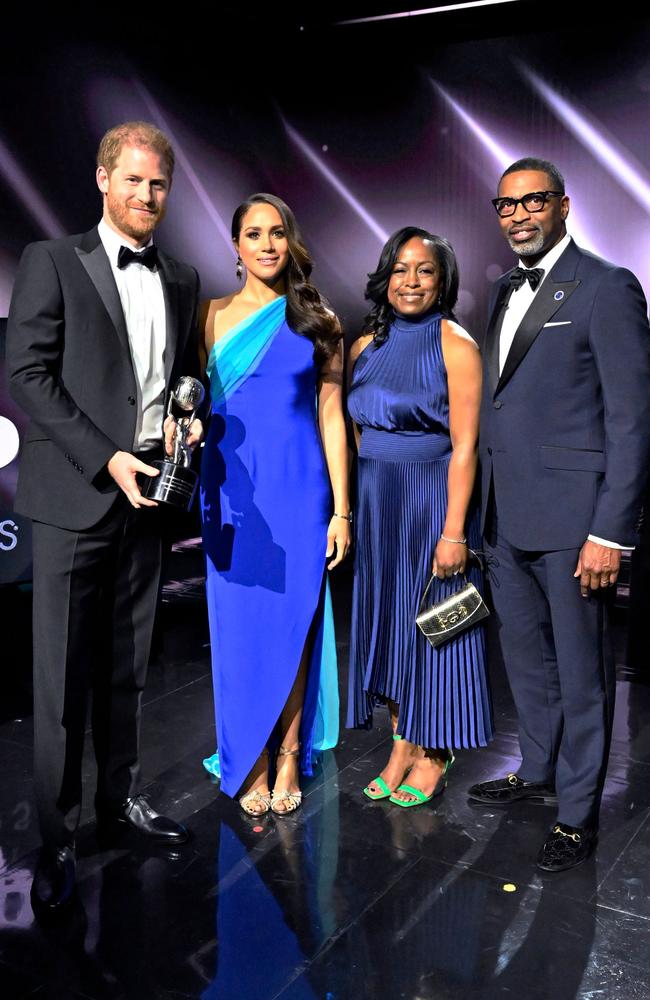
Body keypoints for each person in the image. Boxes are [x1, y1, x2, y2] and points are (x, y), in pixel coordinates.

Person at [6, 121, 202, 915]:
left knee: (128, 667)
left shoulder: (183, 277)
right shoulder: (52, 260)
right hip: (74, 499)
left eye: (158, 184)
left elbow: (182, 381)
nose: (147, 196)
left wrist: (192, 423)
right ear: (102, 179)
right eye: (133, 181)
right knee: (59, 681)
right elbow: (27, 373)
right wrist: (106, 457)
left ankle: (120, 805)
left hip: (149, 503)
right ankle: (56, 833)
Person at [469, 157, 650, 871]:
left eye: (532, 202)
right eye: (506, 205)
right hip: (506, 516)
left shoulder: (608, 288)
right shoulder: (506, 292)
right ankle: (537, 772)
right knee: (526, 662)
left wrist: (612, 530)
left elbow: (634, 422)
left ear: (564, 205)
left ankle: (577, 812)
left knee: (581, 673)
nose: (518, 215)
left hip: (577, 525)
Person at [199, 193, 350, 816]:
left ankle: (288, 754)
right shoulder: (206, 317)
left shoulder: (320, 320)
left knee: (294, 628)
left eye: (277, 233)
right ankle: (248, 755)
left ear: (291, 242)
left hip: (300, 493)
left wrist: (342, 510)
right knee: (237, 632)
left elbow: (333, 416)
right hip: (231, 497)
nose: (266, 244)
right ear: (235, 246)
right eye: (253, 233)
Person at [347, 227, 493, 809]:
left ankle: (434, 753)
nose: (410, 282)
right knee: (390, 626)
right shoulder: (365, 346)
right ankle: (402, 743)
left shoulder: (456, 345)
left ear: (442, 280)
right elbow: (360, 431)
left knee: (434, 627)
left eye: (424, 270)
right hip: (379, 501)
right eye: (400, 269)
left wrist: (455, 529)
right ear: (386, 276)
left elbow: (466, 447)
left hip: (432, 501)